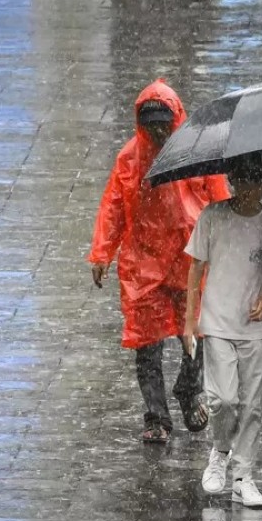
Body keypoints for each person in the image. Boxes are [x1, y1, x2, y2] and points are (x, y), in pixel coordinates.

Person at [88, 79, 231, 444]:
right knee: (147, 343)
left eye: (163, 125)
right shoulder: (130, 158)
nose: (157, 133)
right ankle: (156, 417)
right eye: (151, 126)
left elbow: (219, 197)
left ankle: (189, 389)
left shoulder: (196, 153)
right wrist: (102, 252)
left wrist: (226, 244)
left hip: (189, 258)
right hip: (144, 263)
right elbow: (113, 206)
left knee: (196, 331)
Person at [183, 157, 262, 509]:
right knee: (223, 399)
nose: (250, 189)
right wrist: (189, 320)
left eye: (259, 182)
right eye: (243, 181)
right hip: (218, 321)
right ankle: (220, 449)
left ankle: (243, 477)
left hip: (253, 326)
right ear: (232, 180)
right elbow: (196, 266)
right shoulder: (212, 216)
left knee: (252, 404)